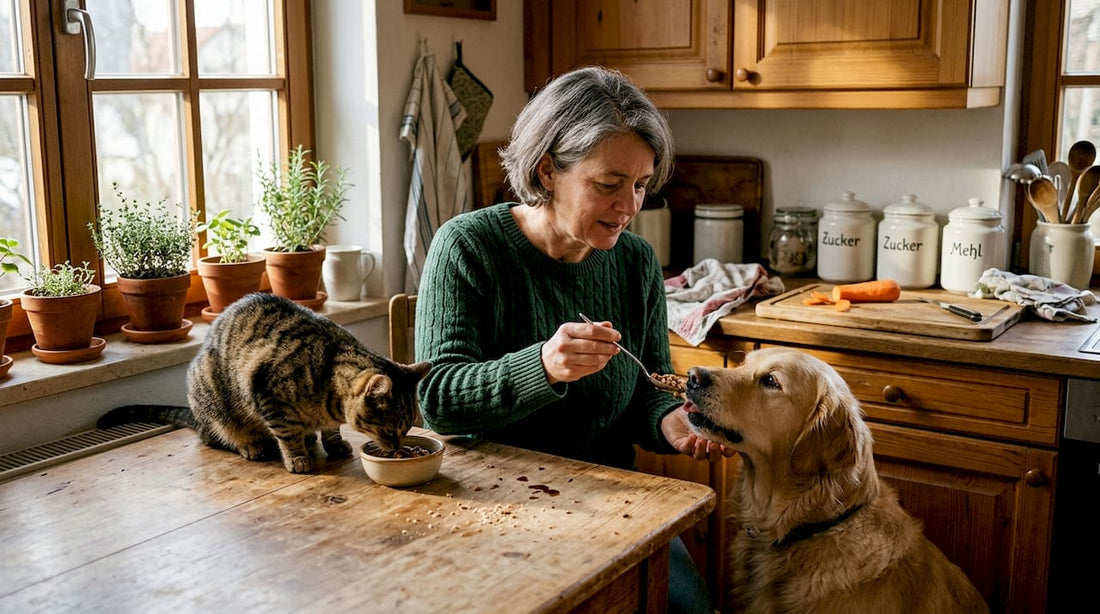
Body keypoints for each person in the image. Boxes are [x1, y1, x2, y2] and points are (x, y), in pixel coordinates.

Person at [415, 66, 731, 613]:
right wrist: (542, 365)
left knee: (688, 608)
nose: (630, 207)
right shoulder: (466, 248)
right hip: (486, 506)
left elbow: (646, 388)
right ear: (546, 171)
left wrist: (668, 422)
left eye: (640, 186)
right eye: (608, 185)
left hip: (608, 504)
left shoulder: (634, 262)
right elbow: (437, 401)